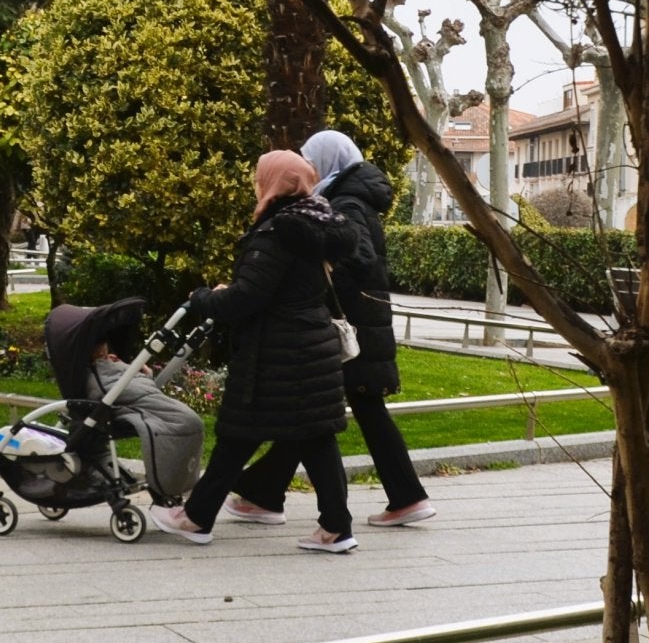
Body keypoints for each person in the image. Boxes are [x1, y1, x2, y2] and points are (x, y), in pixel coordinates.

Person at [224, 129, 436, 530]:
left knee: (315, 414)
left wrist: (313, 268)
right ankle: (404, 496)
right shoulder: (349, 196)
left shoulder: (347, 201)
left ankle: (263, 492)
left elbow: (358, 259)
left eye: (311, 159)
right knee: (331, 413)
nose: (306, 167)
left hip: (347, 326)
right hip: (358, 324)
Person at [150, 152, 360, 552]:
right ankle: (336, 528)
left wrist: (203, 299)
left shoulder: (277, 232)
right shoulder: (318, 223)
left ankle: (196, 519)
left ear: (273, 182)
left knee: (237, 436)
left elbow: (247, 298)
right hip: (311, 347)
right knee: (317, 438)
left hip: (276, 353)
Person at [88, 336, 204, 504]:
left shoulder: (113, 362)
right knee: (182, 423)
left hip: (143, 399)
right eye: (100, 347)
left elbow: (137, 386)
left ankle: (174, 483)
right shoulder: (94, 372)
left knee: (188, 421)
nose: (104, 349)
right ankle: (167, 483)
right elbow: (107, 390)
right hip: (127, 402)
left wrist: (144, 375)